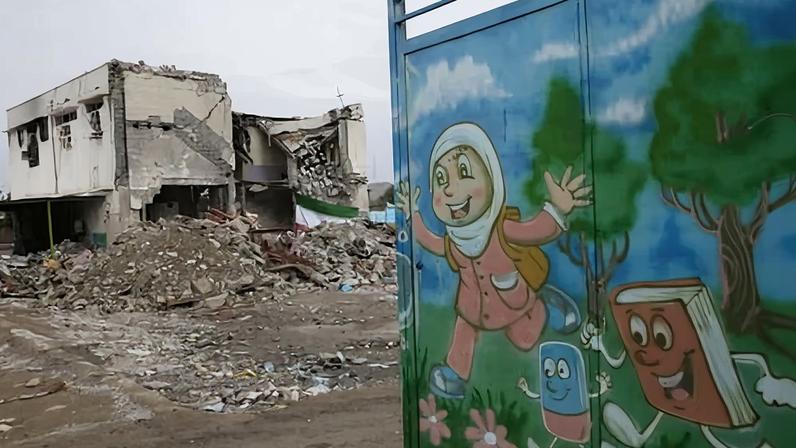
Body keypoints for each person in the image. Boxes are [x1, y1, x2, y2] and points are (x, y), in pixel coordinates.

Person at [397, 122, 590, 399]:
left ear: (492, 178)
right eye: (441, 179)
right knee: (464, 331)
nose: (450, 190)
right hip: (472, 308)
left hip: (514, 300)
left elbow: (537, 230)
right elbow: (431, 243)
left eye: (464, 172)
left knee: (525, 339)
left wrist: (558, 208)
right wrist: (413, 212)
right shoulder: (456, 240)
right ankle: (454, 375)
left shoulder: (500, 228)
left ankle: (544, 303)